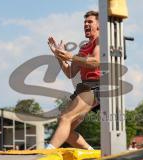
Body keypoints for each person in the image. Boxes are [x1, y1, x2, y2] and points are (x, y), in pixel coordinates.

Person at [46, 10, 100, 150]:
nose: (86, 25)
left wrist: (70, 56)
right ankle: (92, 153)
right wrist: (58, 55)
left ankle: (46, 153)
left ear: (99, 24)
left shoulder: (100, 40)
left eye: (90, 22)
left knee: (65, 118)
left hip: (96, 86)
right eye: (84, 22)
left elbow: (95, 62)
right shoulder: (83, 48)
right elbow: (70, 72)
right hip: (84, 88)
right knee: (66, 129)